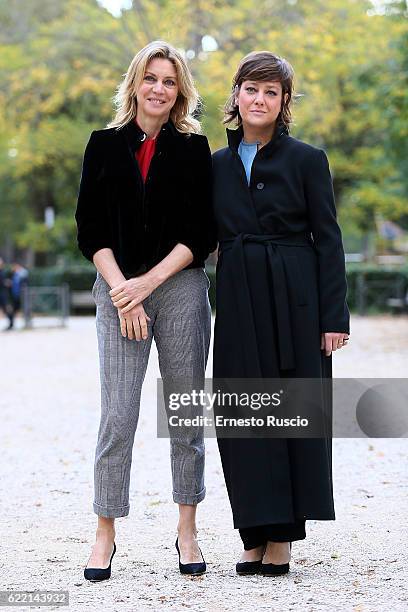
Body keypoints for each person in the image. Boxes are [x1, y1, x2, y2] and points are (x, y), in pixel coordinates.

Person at [75, 40, 216, 581]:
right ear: (135, 82)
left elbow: (200, 232)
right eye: (151, 78)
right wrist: (122, 291)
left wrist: (148, 285)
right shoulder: (103, 145)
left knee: (183, 412)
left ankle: (187, 526)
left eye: (170, 80)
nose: (159, 88)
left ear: (180, 91)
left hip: (178, 287)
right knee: (118, 415)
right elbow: (90, 228)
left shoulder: (192, 149)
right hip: (116, 290)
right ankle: (105, 530)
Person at [212, 51, 350, 576]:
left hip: (297, 297)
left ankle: (283, 538)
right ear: (237, 95)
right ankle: (253, 530)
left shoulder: (308, 159)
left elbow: (329, 240)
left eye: (272, 92)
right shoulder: (216, 164)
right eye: (252, 89)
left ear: (284, 102)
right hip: (240, 295)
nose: (260, 99)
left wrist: (333, 318)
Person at [4, 262, 28, 330]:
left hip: (21, 296)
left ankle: (26, 323)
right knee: (12, 310)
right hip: (14, 295)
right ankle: (12, 324)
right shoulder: (12, 274)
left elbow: (25, 283)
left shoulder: (23, 274)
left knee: (20, 309)